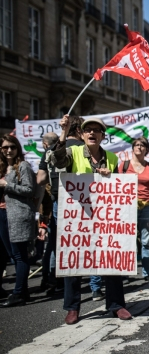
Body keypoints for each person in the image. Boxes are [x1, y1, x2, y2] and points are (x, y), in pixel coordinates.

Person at [48, 115, 132, 324]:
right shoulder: (73, 151)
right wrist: (63, 134)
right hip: (77, 216)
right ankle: (72, 307)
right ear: (82, 134)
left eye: (97, 130)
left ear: (103, 136)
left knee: (111, 258)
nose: (92, 133)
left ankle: (116, 305)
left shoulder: (112, 159)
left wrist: (109, 177)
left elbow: (117, 189)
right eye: (88, 130)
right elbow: (57, 160)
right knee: (74, 259)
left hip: (105, 218)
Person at [37, 118, 85, 297]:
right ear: (80, 130)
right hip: (81, 200)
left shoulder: (51, 149)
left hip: (58, 200)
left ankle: (52, 280)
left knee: (58, 243)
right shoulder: (84, 149)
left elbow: (40, 180)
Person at [119, 137, 149, 282]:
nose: (139, 147)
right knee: (128, 240)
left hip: (148, 207)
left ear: (146, 150)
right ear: (133, 148)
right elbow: (117, 184)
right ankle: (125, 273)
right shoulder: (124, 165)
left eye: (143, 145)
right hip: (128, 207)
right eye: (137, 145)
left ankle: (148, 273)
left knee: (147, 241)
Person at [0, 135, 37, 307]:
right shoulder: (3, 168)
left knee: (19, 255)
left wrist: (6, 185)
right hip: (3, 214)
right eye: (5, 147)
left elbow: (30, 189)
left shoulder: (23, 166)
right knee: (11, 254)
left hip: (18, 215)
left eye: (12, 147)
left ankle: (18, 294)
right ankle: (24, 291)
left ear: (18, 149)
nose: (9, 151)